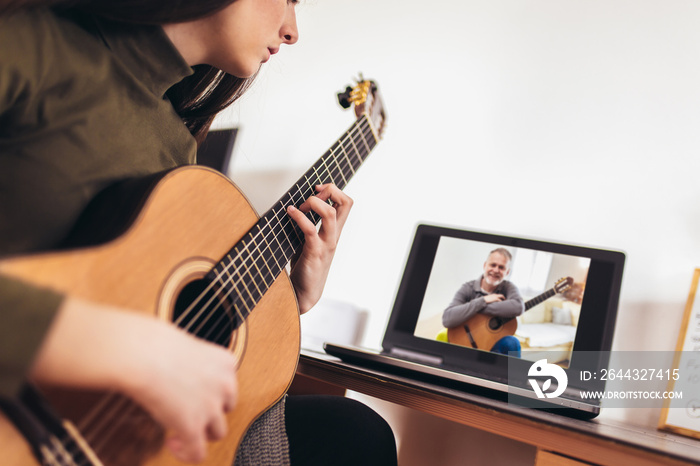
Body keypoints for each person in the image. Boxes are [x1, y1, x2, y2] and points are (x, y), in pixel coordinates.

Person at [0, 1, 397, 465]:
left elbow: (152, 314)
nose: (292, 32)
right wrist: (109, 342)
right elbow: (135, 338)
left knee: (355, 432)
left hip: (97, 436)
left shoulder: (175, 145)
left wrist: (288, 299)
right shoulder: (34, 42)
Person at [442, 248, 524, 356]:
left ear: (507, 272)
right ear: (485, 265)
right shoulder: (467, 288)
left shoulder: (509, 288)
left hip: (494, 345)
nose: (495, 270)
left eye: (501, 267)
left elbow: (518, 307)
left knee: (512, 343)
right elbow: (447, 319)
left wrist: (480, 308)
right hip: (465, 344)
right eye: (493, 265)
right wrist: (483, 300)